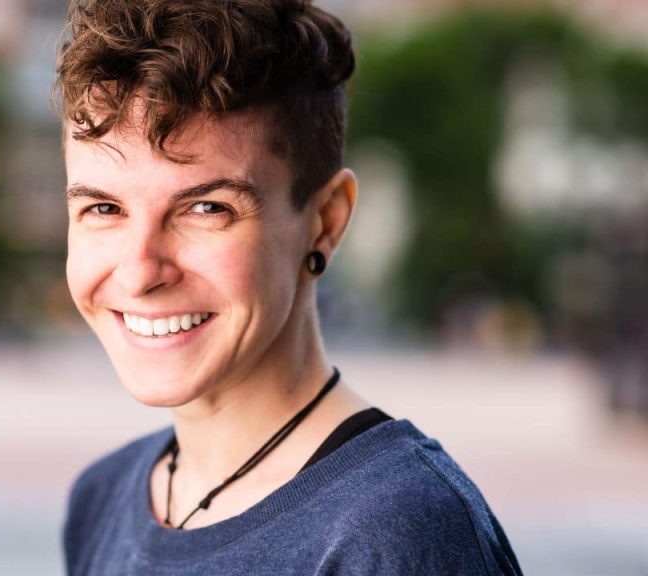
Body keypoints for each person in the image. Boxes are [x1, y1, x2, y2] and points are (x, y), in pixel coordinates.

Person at [55, 0, 524, 574]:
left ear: (324, 222)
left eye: (207, 207)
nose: (140, 271)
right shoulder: (101, 497)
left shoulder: (397, 533)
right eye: (104, 207)